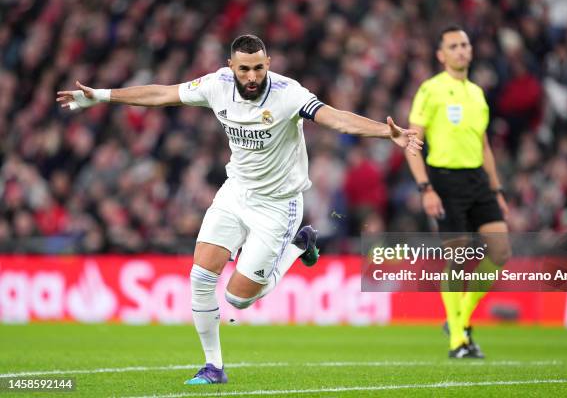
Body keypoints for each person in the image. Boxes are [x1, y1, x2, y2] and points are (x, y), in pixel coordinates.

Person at [57, 34, 423, 384]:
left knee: (238, 299)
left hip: (278, 206)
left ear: (269, 64)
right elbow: (162, 94)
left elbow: (336, 117)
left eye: (258, 69)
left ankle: (298, 245)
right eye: (244, 69)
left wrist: (385, 132)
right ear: (230, 65)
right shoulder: (216, 85)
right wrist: (102, 95)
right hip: (236, 193)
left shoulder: (288, 94)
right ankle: (212, 366)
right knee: (200, 276)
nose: (251, 77)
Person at [404, 26, 511, 358]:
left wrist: (497, 189)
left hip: (478, 180)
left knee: (501, 252)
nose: (462, 50)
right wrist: (425, 188)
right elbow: (412, 142)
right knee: (458, 259)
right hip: (445, 180)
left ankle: (460, 317)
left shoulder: (477, 93)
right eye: (454, 46)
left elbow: (484, 145)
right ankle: (458, 341)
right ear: (442, 54)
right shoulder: (431, 90)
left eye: (465, 44)